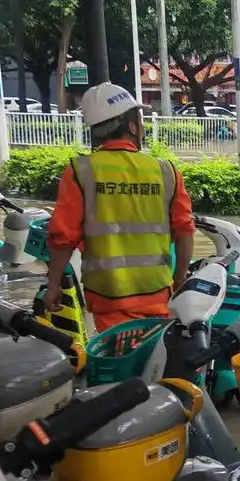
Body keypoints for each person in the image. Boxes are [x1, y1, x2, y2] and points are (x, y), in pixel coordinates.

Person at [46, 83, 195, 332]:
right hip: (156, 291)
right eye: (140, 119)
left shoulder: (80, 172)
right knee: (154, 360)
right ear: (131, 126)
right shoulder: (165, 171)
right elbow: (184, 231)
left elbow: (63, 239)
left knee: (117, 360)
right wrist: (180, 278)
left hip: (106, 294)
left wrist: (53, 286)